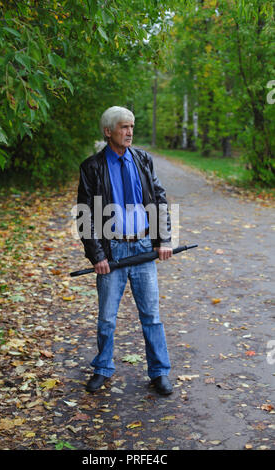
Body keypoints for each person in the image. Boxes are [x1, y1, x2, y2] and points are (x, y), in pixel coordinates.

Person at [77, 106, 173, 395]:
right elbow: (85, 215)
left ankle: (159, 372)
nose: (129, 132)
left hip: (143, 246)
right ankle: (103, 368)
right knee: (107, 316)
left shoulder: (143, 159)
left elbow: (158, 199)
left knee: (151, 316)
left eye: (132, 126)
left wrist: (163, 239)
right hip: (113, 249)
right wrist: (97, 256)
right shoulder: (92, 167)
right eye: (123, 127)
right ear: (108, 131)